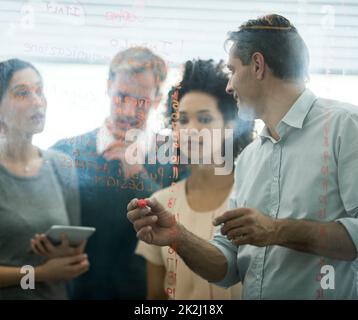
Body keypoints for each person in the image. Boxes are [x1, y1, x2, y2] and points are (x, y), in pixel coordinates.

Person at [127, 14, 358, 299]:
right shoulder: (249, 158)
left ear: (258, 66)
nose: (229, 86)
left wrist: (275, 231)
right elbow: (228, 266)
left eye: (233, 70)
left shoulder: (345, 126)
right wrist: (178, 236)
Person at [51, 47, 183, 299]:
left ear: (156, 100)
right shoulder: (65, 152)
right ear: (108, 86)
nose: (128, 112)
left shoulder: (174, 156)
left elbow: (180, 230)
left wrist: (135, 172)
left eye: (141, 101)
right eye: (121, 96)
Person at [135, 59, 253, 300]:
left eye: (205, 119)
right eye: (184, 120)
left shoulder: (254, 195)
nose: (191, 130)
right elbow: (156, 297)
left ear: (230, 125)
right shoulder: (161, 203)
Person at [0, 59, 89, 299]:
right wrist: (38, 273)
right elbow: (45, 272)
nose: (37, 101)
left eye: (40, 91)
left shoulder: (62, 165)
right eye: (22, 93)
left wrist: (66, 255)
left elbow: (72, 246)